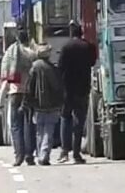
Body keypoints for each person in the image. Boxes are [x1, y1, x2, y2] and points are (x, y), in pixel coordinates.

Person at [57, 21, 97, 164]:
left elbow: (60, 67)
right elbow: (92, 62)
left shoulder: (66, 47)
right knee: (79, 121)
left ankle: (64, 151)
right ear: (81, 33)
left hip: (68, 90)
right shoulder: (88, 47)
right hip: (82, 89)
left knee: (65, 118)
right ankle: (76, 153)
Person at [0, 27, 37, 166]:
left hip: (15, 94)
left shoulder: (10, 53)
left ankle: (18, 156)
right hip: (28, 94)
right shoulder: (32, 54)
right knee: (29, 125)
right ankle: (29, 155)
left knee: (16, 126)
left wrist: (1, 99)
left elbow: (5, 80)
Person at [24, 43, 63, 166]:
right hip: (52, 105)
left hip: (38, 106)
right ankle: (44, 155)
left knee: (39, 132)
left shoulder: (34, 67)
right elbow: (59, 87)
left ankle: (41, 153)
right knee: (48, 131)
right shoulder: (52, 69)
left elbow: (29, 87)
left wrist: (26, 102)